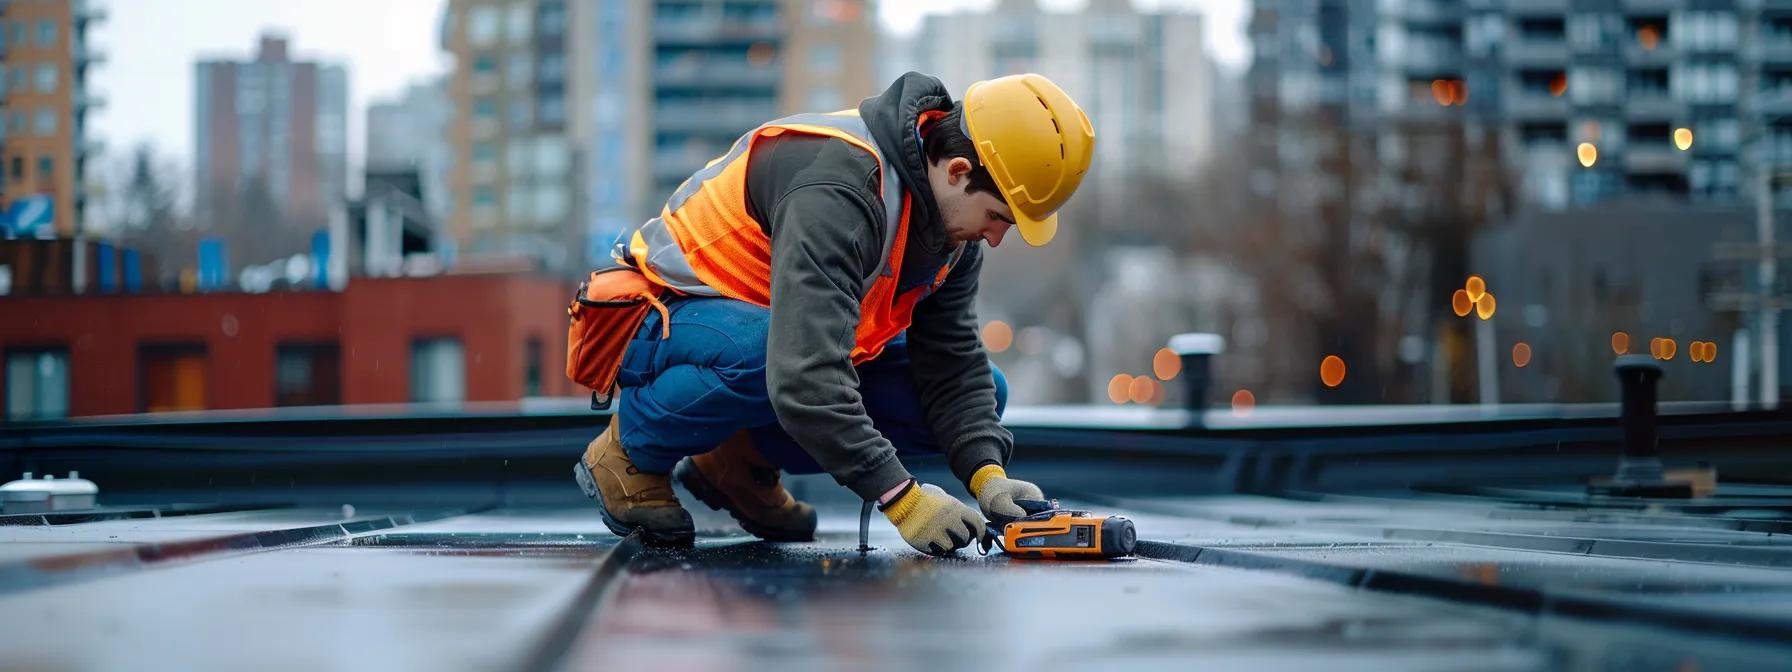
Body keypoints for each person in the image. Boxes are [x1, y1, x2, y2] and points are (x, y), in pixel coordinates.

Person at [573, 71, 1095, 555]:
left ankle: (737, 460)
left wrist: (987, 474)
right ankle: (630, 452)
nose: (997, 238)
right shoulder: (840, 190)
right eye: (999, 217)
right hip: (664, 318)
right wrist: (903, 499)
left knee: (986, 393)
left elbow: (952, 361)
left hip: (774, 340)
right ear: (958, 171)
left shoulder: (953, 232)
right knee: (769, 355)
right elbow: (805, 377)